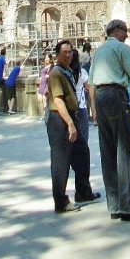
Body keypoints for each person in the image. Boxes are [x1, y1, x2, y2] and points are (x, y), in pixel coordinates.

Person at [88, 18, 130, 221]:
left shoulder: (98, 51)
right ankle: (127, 207)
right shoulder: (121, 48)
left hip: (100, 97)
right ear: (116, 31)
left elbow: (90, 83)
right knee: (124, 149)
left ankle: (115, 206)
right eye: (125, 30)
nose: (126, 34)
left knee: (107, 151)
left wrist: (94, 110)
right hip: (116, 95)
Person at [46, 40, 100, 213]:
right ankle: (60, 201)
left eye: (70, 52)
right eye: (64, 53)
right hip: (60, 119)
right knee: (61, 161)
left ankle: (83, 191)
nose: (68, 55)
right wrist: (70, 124)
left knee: (82, 152)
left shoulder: (67, 70)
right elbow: (58, 100)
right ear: (57, 54)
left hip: (70, 116)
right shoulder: (56, 72)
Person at [37, 54, 53, 119]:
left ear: (50, 59)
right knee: (39, 100)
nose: (46, 59)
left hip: (46, 84)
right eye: (45, 58)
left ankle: (46, 114)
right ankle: (42, 115)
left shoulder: (51, 66)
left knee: (45, 100)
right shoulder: (44, 66)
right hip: (42, 83)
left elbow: (53, 74)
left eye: (47, 58)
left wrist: (49, 76)